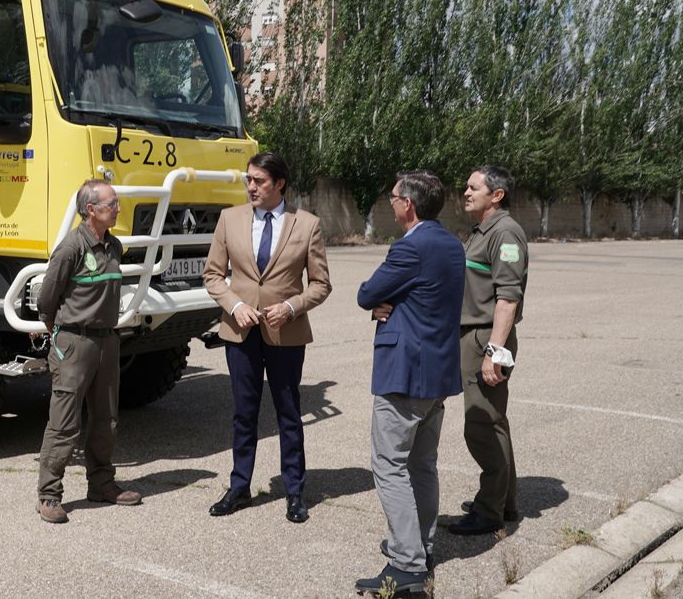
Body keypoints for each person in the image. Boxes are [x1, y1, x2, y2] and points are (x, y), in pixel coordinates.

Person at [202, 152, 331, 522]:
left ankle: (294, 491)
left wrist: (292, 307)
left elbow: (321, 285)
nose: (251, 187)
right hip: (240, 331)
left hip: (285, 334)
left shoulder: (306, 225)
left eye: (259, 181)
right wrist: (234, 304)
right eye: (249, 179)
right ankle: (240, 487)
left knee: (289, 413)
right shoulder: (229, 219)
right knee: (244, 413)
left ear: (280, 184)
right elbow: (213, 275)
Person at [354, 171, 464, 594]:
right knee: (422, 464)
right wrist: (396, 303)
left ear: (409, 205)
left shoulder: (410, 247)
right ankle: (421, 545)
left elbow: (367, 293)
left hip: (405, 373)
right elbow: (426, 299)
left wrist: (386, 304)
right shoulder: (452, 244)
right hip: (437, 372)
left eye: (394, 196)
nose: (390, 202)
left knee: (389, 466)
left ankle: (407, 566)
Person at [35, 179, 141, 524]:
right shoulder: (70, 248)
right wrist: (60, 336)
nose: (118, 209)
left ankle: (102, 485)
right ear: (91, 210)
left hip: (107, 341)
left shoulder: (114, 246)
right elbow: (46, 301)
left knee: (106, 419)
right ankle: (49, 495)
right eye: (112, 204)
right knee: (64, 424)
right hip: (74, 342)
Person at [447, 165, 529, 536]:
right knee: (494, 422)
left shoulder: (505, 233)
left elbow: (508, 299)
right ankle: (504, 501)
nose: (466, 192)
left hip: (485, 337)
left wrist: (494, 351)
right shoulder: (483, 230)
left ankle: (488, 511)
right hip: (477, 335)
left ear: (496, 195)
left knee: (481, 424)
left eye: (473, 187)